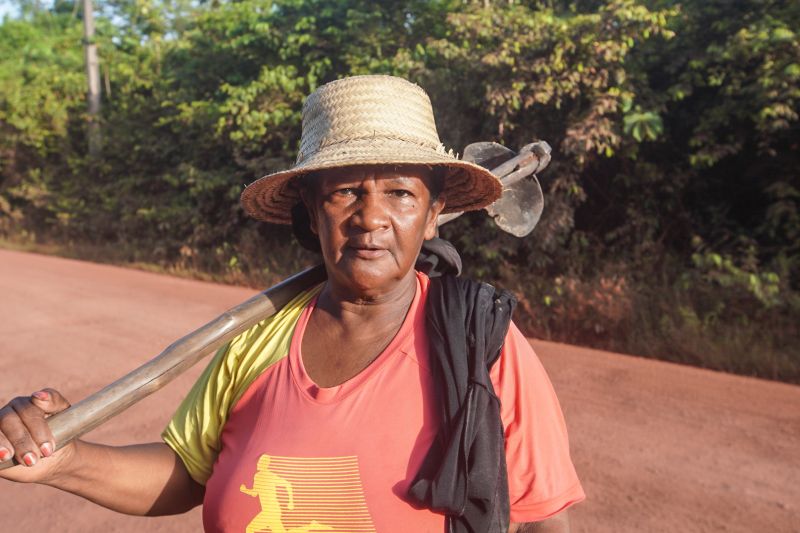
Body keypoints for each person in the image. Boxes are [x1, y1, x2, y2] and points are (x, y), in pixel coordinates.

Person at [0, 75, 584, 532]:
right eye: (345, 191)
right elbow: (185, 473)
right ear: (309, 210)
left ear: (433, 214)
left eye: (401, 193)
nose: (371, 217)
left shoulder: (483, 344)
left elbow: (541, 521)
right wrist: (66, 459)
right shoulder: (256, 339)